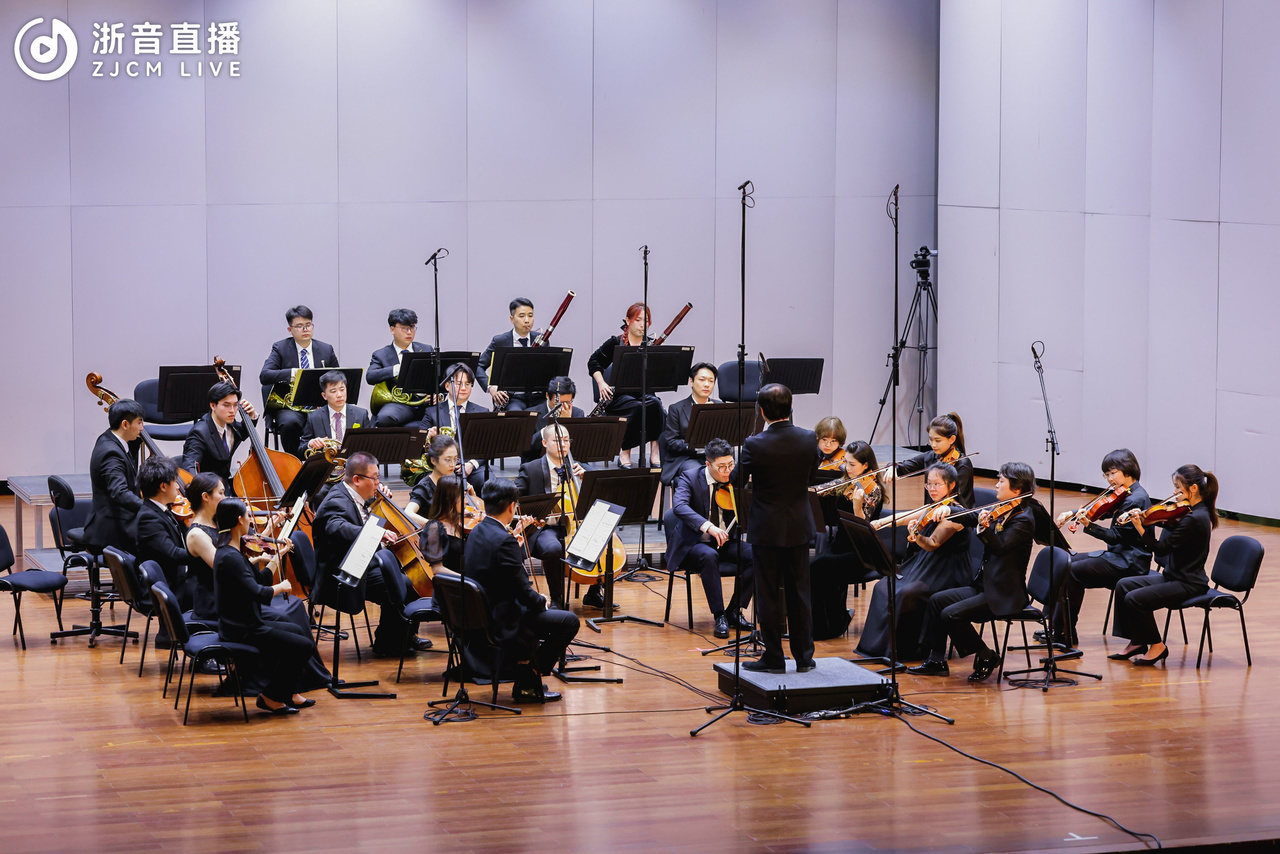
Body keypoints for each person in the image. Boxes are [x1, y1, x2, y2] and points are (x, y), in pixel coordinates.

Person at [908, 462, 1038, 682]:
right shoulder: (1002, 508)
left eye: (1001, 481)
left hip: (1003, 594)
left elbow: (1000, 547)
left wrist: (984, 528)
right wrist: (949, 510)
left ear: (1017, 489)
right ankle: (936, 660)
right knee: (937, 600)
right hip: (984, 585)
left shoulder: (1023, 519)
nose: (996, 485)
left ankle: (986, 655)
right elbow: (969, 515)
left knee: (950, 614)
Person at [465, 478, 581, 703]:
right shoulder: (503, 541)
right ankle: (528, 677)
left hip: (482, 614)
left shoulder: (478, 531)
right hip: (504, 620)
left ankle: (525, 670)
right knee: (569, 622)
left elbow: (500, 569)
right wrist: (542, 600)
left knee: (546, 613)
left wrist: (515, 537)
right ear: (512, 506)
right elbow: (523, 594)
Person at [312, 452, 430, 657]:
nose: (378, 483)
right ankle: (388, 643)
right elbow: (336, 527)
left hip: (361, 562)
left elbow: (361, 514)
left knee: (407, 574)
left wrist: (376, 500)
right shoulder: (336, 500)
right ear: (357, 479)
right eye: (374, 478)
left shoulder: (352, 494)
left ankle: (404, 635)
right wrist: (377, 533)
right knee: (401, 582)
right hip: (343, 574)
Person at [738, 384, 820, 673]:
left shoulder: (754, 444)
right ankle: (804, 657)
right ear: (791, 408)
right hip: (798, 526)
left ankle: (773, 657)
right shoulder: (808, 438)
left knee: (768, 594)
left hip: (766, 528)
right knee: (800, 593)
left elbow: (737, 480)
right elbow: (811, 476)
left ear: (762, 411)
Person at [855, 463, 971, 660]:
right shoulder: (935, 506)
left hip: (947, 571)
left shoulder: (957, 514)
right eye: (929, 484)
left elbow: (932, 543)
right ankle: (877, 648)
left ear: (951, 485)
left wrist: (916, 536)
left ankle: (907, 648)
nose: (932, 489)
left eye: (937, 484)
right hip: (926, 565)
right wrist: (879, 523)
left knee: (906, 593)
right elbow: (903, 518)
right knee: (884, 585)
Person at [212, 499, 318, 715]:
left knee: (297, 631)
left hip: (249, 622)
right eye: (247, 516)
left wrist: (278, 556)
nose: (251, 521)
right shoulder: (230, 557)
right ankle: (271, 697)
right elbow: (259, 593)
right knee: (303, 646)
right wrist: (281, 587)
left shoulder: (232, 552)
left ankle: (289, 691)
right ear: (239, 520)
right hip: (242, 629)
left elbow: (259, 580)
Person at [1109, 464, 1218, 667]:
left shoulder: (1195, 518)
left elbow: (1161, 549)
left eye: (1178, 487)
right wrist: (1147, 517)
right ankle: (1137, 641)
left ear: (1193, 488)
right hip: (1174, 576)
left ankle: (1157, 646)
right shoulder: (1190, 511)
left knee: (1135, 599)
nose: (1174, 492)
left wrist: (1141, 527)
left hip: (1189, 583)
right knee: (1124, 585)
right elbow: (1169, 521)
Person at [1049, 448, 1152, 647]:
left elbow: (1116, 537)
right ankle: (1056, 627)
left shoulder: (1135, 499)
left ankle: (1065, 632)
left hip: (1129, 563)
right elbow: (1102, 509)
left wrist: (1089, 526)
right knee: (1064, 561)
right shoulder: (1125, 493)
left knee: (1073, 571)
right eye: (1107, 475)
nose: (1110, 479)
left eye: (1113, 473)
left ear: (1128, 470)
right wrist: (1072, 513)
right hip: (1118, 556)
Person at [663, 438, 755, 639]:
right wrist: (709, 526)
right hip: (694, 544)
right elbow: (679, 506)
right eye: (721, 466)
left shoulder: (733, 478)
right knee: (709, 556)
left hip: (725, 542)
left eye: (730, 464)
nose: (727, 471)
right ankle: (719, 615)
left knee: (756, 555)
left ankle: (734, 610)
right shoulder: (689, 477)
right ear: (708, 464)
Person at [514, 424, 607, 611]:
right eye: (557, 440)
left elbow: (600, 498)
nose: (563, 444)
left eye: (566, 440)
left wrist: (588, 481)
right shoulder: (531, 469)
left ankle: (594, 592)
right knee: (552, 548)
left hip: (576, 526)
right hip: (546, 528)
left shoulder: (580, 468)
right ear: (544, 443)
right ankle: (557, 599)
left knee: (606, 537)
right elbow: (514, 495)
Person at [808, 440, 885, 639]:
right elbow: (820, 489)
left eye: (852, 464)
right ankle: (828, 622)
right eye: (846, 462)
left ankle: (827, 627)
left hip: (861, 553)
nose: (847, 468)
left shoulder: (874, 490)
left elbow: (863, 529)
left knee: (819, 565)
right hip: (841, 545)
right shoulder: (846, 482)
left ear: (866, 465)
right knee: (816, 566)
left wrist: (857, 506)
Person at [587, 302, 666, 468]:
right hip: (619, 397)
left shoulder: (649, 345)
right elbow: (593, 362)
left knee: (657, 405)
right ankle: (625, 452)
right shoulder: (615, 342)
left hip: (643, 394)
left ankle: (655, 452)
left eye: (646, 321)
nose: (642, 325)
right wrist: (601, 383)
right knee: (637, 407)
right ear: (628, 320)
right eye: (638, 320)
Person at [259, 305, 339, 458]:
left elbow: (338, 376)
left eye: (308, 325)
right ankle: (294, 461)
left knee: (335, 416)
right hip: (291, 407)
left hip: (319, 405)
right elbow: (265, 375)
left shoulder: (326, 349)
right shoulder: (280, 348)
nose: (305, 329)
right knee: (289, 423)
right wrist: (293, 373)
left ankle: (325, 462)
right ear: (290, 330)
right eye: (299, 326)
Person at [130, 455, 197, 609]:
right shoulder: (148, 518)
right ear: (163, 487)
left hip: (176, 578)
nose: (178, 487)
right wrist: (202, 553)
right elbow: (173, 554)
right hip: (169, 587)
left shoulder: (162, 509)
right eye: (175, 482)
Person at [85, 399, 146, 553]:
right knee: (155, 542)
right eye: (139, 422)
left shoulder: (108, 437)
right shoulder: (111, 453)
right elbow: (120, 493)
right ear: (125, 424)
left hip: (115, 515)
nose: (142, 428)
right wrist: (150, 508)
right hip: (111, 527)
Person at [420, 362, 488, 494]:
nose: (464, 388)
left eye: (468, 384)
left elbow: (488, 445)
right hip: (442, 466)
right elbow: (419, 443)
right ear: (447, 386)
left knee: (489, 484)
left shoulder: (482, 411)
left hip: (472, 467)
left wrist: (471, 464)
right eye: (459, 384)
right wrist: (428, 436)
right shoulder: (432, 412)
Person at [883, 412, 973, 509]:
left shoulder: (962, 464)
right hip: (931, 512)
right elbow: (902, 467)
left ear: (952, 439)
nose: (933, 445)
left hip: (955, 514)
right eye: (931, 439)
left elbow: (954, 500)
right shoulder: (931, 457)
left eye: (938, 440)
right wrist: (892, 467)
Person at [181, 381, 257, 490]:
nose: (232, 411)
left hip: (226, 484)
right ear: (213, 405)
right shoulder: (200, 432)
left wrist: (252, 416)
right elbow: (189, 467)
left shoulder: (230, 423)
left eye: (235, 405)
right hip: (210, 489)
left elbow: (242, 433)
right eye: (226, 405)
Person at [367, 308, 435, 428]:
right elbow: (370, 376)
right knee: (385, 418)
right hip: (400, 405)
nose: (409, 332)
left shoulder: (426, 349)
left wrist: (438, 395)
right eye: (404, 328)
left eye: (412, 328)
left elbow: (436, 376)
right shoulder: (381, 354)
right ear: (392, 329)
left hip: (427, 403)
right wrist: (399, 369)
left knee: (448, 415)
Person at [659, 362, 721, 485]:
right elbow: (671, 442)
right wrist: (695, 446)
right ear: (691, 381)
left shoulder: (719, 406)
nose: (707, 384)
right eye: (702, 380)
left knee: (735, 472)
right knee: (700, 474)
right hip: (686, 458)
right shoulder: (676, 409)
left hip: (714, 458)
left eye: (711, 381)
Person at [477, 297, 542, 411]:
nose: (527, 320)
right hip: (512, 397)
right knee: (516, 415)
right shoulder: (500, 341)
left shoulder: (541, 339)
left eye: (530, 315)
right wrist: (490, 387)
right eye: (521, 316)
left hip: (537, 396)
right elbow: (478, 366)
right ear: (511, 319)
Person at [404, 435, 476, 524]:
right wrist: (434, 526)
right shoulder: (424, 488)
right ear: (433, 460)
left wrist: (472, 496)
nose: (453, 464)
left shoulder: (455, 479)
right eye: (448, 460)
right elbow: (408, 513)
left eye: (455, 459)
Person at [298, 370, 371, 456]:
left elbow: (370, 446)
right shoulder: (314, 418)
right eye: (333, 391)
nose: (339, 395)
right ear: (324, 396)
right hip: (326, 463)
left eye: (342, 389)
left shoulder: (361, 415)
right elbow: (300, 451)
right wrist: (310, 443)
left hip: (353, 463)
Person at [520, 376, 584, 464]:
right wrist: (554, 424)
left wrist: (568, 423)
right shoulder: (531, 414)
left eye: (568, 402)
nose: (563, 407)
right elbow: (526, 448)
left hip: (569, 463)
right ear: (547, 396)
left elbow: (579, 447)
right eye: (559, 403)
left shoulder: (577, 413)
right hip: (537, 464)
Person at [419, 475, 468, 575]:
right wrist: (467, 580)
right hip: (454, 582)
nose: (466, 501)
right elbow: (437, 569)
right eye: (463, 497)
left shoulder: (456, 523)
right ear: (450, 499)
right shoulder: (435, 528)